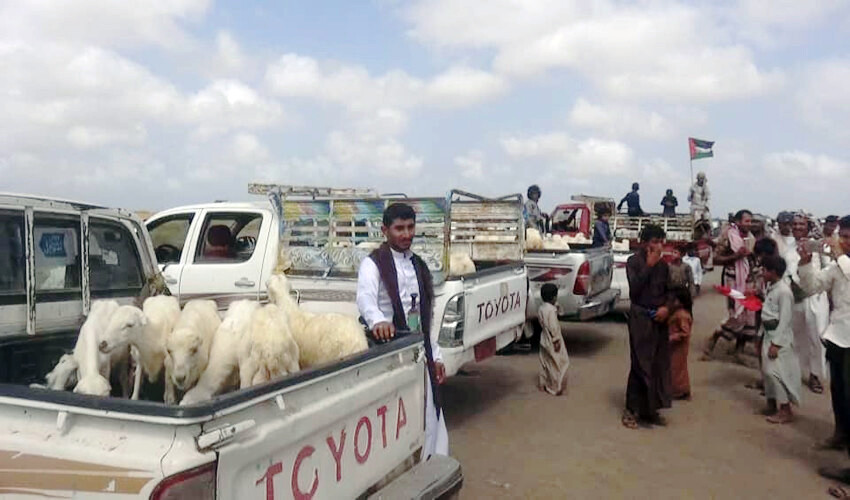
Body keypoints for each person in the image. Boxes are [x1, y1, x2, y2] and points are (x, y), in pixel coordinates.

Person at [356, 203, 448, 458]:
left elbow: (425, 318)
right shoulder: (372, 264)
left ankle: (429, 464)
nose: (406, 234)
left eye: (410, 227)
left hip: (418, 351)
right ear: (385, 230)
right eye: (399, 228)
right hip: (388, 352)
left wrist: (436, 356)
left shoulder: (418, 265)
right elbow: (365, 300)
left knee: (428, 411)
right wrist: (378, 322)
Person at [798, 216, 850, 459]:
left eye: (849, 238)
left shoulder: (843, 265)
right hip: (837, 336)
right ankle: (840, 434)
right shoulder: (837, 266)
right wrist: (806, 264)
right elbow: (811, 287)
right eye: (844, 237)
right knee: (838, 391)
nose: (845, 243)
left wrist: (838, 254)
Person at [622, 224, 672, 429]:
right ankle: (631, 410)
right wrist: (649, 265)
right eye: (654, 242)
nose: (658, 246)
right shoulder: (634, 262)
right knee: (640, 364)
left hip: (659, 320)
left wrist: (666, 308)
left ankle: (650, 410)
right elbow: (634, 291)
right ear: (645, 243)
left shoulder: (664, 266)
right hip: (640, 318)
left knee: (657, 364)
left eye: (661, 242)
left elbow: (671, 291)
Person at [786, 212, 829, 395]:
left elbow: (827, 269)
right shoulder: (787, 247)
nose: (797, 227)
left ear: (808, 227)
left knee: (817, 337)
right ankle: (795, 372)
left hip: (816, 298)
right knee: (796, 337)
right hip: (795, 298)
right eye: (794, 224)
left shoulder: (817, 246)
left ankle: (815, 375)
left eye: (801, 224)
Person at [704, 210, 756, 358]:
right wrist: (736, 256)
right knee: (737, 316)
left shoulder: (751, 238)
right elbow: (716, 259)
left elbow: (751, 260)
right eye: (746, 221)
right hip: (733, 279)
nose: (749, 224)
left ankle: (738, 350)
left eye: (750, 221)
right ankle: (714, 339)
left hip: (748, 280)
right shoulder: (728, 236)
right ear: (738, 222)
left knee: (750, 317)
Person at [759, 254, 802, 424]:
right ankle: (771, 403)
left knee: (776, 373)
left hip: (779, 336)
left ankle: (785, 409)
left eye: (765, 270)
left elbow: (785, 320)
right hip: (768, 333)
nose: (762, 272)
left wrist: (776, 343)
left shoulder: (784, 292)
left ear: (773, 272)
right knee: (767, 371)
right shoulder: (772, 287)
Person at [537, 283, 569, 395]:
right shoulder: (551, 311)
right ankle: (555, 387)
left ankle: (544, 383)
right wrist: (556, 340)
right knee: (559, 362)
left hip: (544, 338)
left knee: (545, 361)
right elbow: (553, 326)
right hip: (552, 339)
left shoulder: (541, 308)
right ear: (554, 297)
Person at [668, 287, 693, 400]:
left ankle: (678, 391)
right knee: (679, 368)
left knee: (676, 368)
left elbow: (685, 332)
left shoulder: (681, 315)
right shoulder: (680, 313)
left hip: (678, 346)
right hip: (675, 345)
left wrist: (673, 337)